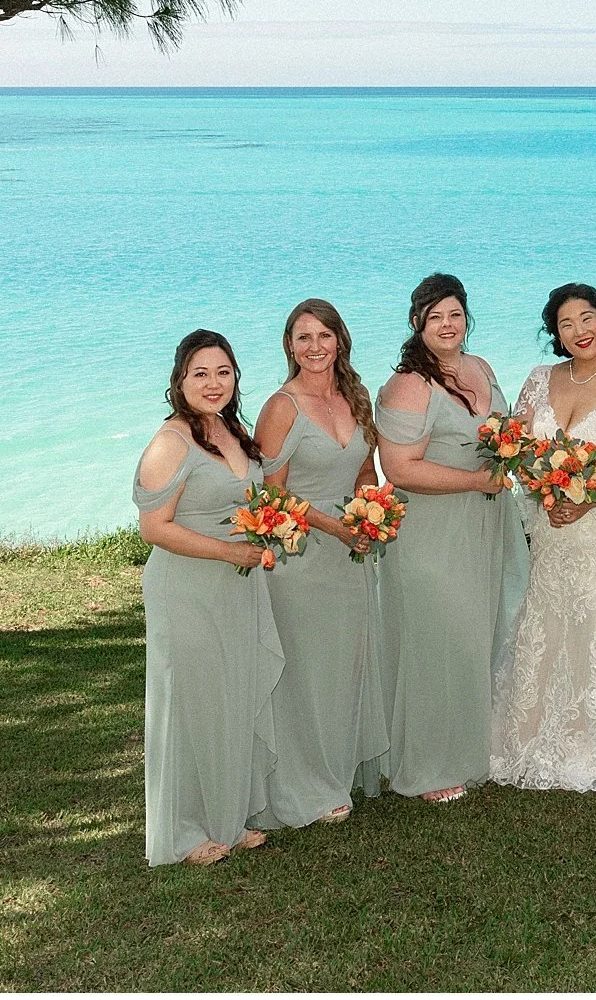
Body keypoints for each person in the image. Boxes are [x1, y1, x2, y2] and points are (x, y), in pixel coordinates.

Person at [490, 283, 596, 791]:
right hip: (552, 529)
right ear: (557, 335)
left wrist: (590, 496)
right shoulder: (539, 380)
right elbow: (516, 446)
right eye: (566, 324)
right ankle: (531, 734)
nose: (579, 331)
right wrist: (544, 491)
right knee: (546, 623)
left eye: (587, 318)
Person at [374, 274, 529, 803]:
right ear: (416, 323)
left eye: (455, 314)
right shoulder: (408, 386)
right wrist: (476, 481)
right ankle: (425, 765)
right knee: (436, 640)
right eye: (435, 316)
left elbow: (504, 434)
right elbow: (399, 469)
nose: (447, 325)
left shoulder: (480, 367)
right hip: (430, 530)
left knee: (480, 634)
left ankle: (470, 745)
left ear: (467, 318)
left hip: (486, 524)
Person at [132, 330, 280, 866]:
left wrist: (267, 532)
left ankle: (227, 817)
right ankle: (184, 832)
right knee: (190, 705)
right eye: (201, 374)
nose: (213, 383)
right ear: (180, 381)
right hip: (187, 587)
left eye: (223, 372)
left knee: (229, 697)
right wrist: (228, 551)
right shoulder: (171, 441)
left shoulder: (231, 430)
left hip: (236, 584)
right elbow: (155, 528)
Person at [250, 300, 389, 828]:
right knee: (304, 672)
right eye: (303, 337)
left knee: (342, 668)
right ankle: (300, 784)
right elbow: (271, 494)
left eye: (323, 336)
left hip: (349, 556)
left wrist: (371, 514)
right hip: (300, 557)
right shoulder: (281, 407)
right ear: (289, 345)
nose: (314, 347)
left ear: (339, 341)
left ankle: (334, 770)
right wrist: (334, 526)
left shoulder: (356, 398)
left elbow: (364, 474)